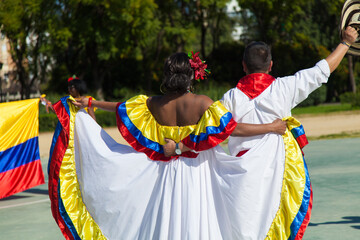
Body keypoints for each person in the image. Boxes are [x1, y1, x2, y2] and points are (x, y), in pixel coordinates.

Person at [48, 52, 287, 240]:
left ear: (166, 76)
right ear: (192, 76)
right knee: (196, 221)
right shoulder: (203, 103)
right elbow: (231, 128)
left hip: (164, 175)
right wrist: (271, 128)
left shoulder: (154, 103)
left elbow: (121, 106)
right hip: (198, 173)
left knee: (167, 220)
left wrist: (93, 103)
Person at [215, 26, 358, 239]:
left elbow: (220, 130)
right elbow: (322, 71)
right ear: (271, 65)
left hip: (240, 176)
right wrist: (345, 43)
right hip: (277, 176)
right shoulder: (283, 88)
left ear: (243, 66)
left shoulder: (229, 98)